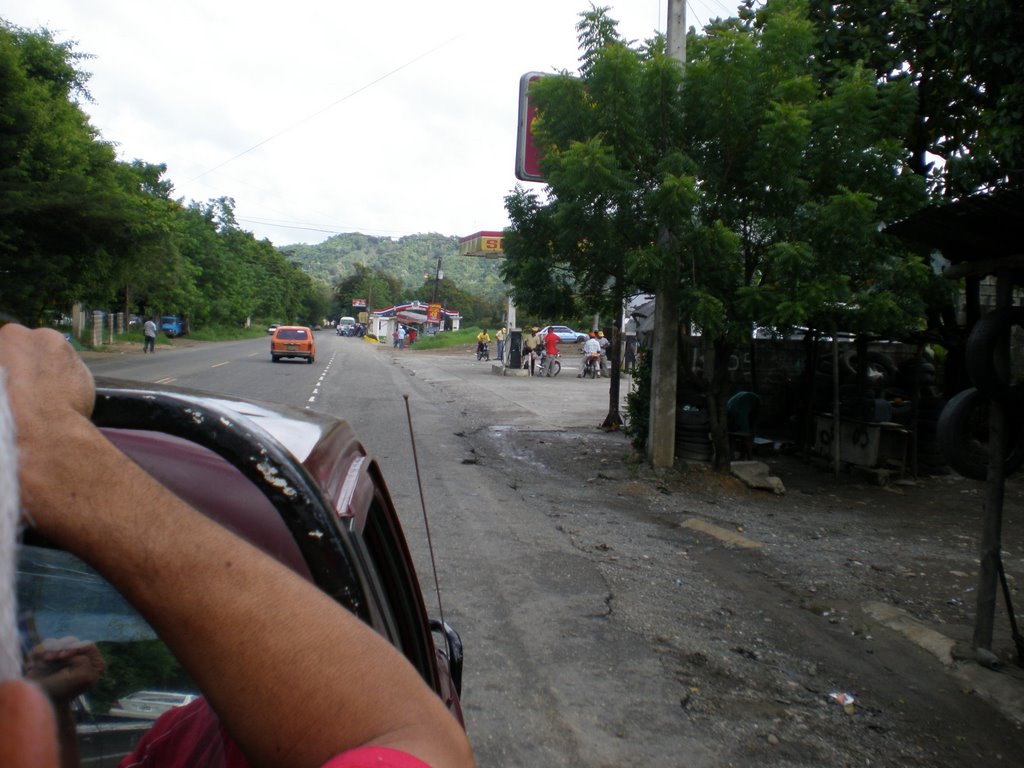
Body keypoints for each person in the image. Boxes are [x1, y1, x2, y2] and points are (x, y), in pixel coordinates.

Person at [0, 324, 475, 768]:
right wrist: (60, 459)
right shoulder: (197, 736)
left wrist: (51, 705)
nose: (290, 343)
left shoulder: (172, 738)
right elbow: (414, 742)